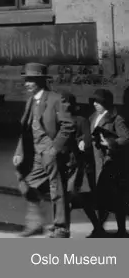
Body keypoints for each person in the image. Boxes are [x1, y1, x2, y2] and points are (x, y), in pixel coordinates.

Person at [13, 62, 74, 237]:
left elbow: (68, 125)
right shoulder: (30, 101)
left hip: (50, 150)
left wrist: (54, 148)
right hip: (35, 153)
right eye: (26, 80)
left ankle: (61, 227)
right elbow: (25, 130)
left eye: (30, 80)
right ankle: (36, 223)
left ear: (40, 81)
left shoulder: (56, 98)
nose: (26, 83)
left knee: (57, 189)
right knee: (27, 185)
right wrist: (19, 152)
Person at [86, 88, 129, 237]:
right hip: (97, 163)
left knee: (116, 199)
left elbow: (126, 138)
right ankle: (99, 228)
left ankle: (121, 230)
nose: (96, 104)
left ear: (106, 103)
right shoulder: (93, 117)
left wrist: (110, 143)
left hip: (111, 163)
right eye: (94, 101)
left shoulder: (117, 119)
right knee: (101, 198)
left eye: (99, 102)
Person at [59, 92, 95, 236]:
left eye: (64, 102)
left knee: (67, 197)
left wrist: (82, 141)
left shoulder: (81, 120)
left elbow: (87, 138)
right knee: (70, 198)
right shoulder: (59, 120)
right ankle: (97, 225)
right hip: (61, 163)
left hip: (75, 165)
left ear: (71, 104)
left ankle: (63, 229)